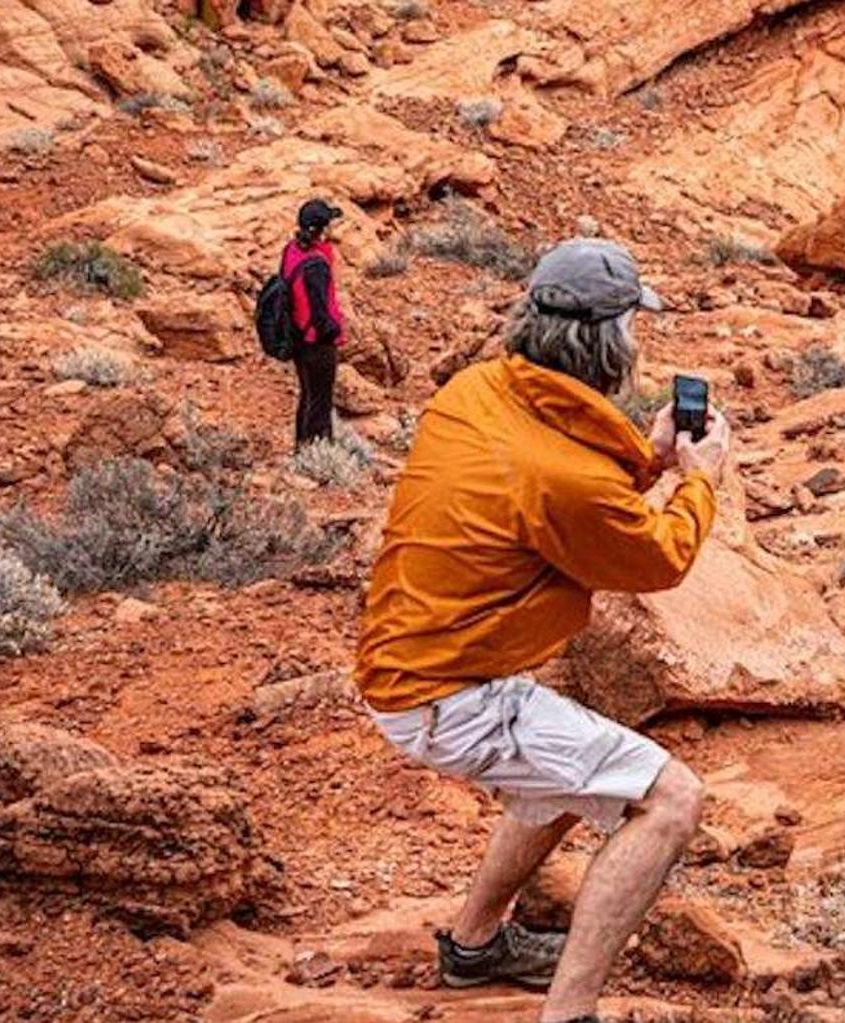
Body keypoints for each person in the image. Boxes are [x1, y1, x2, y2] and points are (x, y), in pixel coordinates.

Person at [355, 238, 732, 1023]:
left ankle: (474, 947)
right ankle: (569, 1014)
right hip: (449, 697)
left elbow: (556, 485)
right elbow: (656, 556)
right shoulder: (565, 477)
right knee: (670, 799)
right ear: (613, 343)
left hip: (407, 658)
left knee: (571, 767)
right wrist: (700, 482)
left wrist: (649, 459)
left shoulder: (476, 390)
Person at [282, 198, 346, 447]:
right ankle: (320, 454)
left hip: (298, 336)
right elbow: (319, 310)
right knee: (321, 402)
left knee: (308, 395)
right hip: (317, 342)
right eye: (329, 224)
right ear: (321, 229)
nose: (333, 228)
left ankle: (302, 449)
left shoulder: (291, 250)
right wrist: (333, 331)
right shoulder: (317, 265)